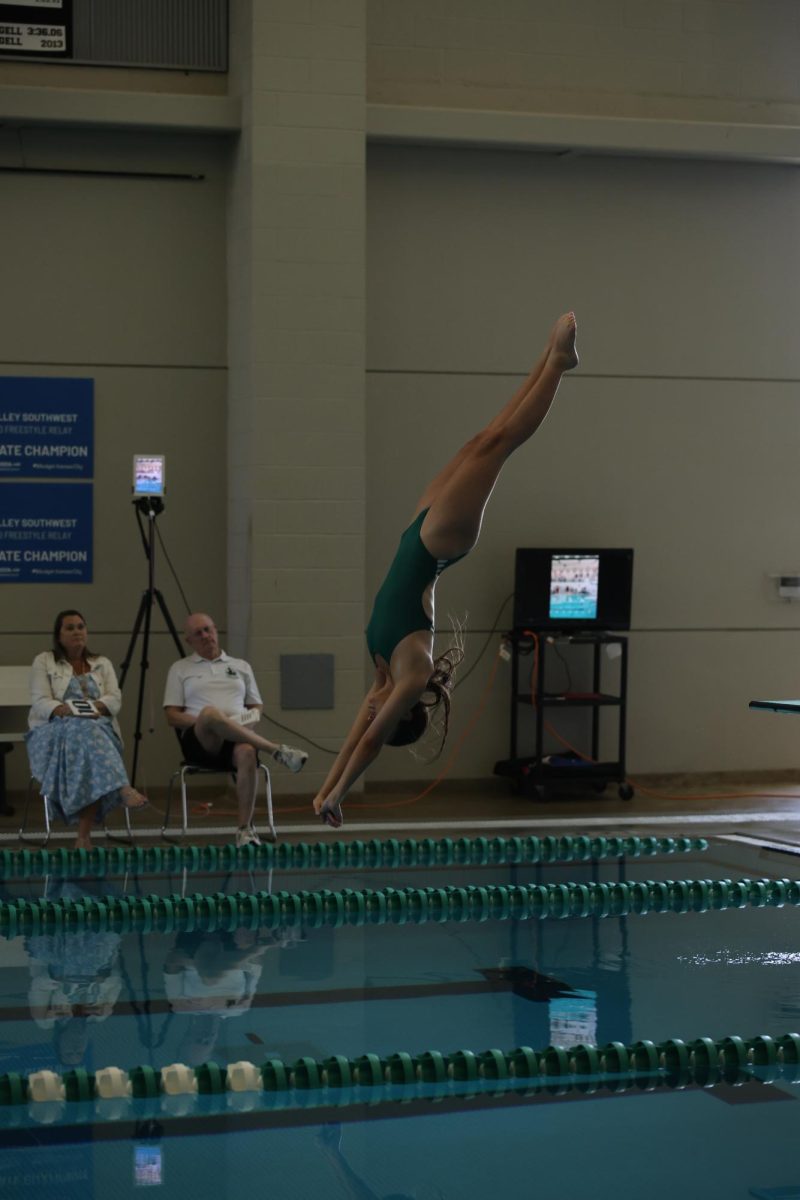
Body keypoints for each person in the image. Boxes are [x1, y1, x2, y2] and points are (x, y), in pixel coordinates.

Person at [313, 312, 579, 830]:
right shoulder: (409, 677)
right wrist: (343, 793)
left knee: (481, 441)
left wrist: (326, 790)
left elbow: (354, 735)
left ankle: (548, 360)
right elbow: (368, 742)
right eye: (383, 714)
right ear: (402, 713)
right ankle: (559, 367)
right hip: (440, 544)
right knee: (498, 447)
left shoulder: (381, 676)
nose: (372, 711)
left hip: (417, 534)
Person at [163, 613, 308, 847]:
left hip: (238, 733)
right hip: (201, 740)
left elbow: (256, 708)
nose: (205, 636)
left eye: (208, 629)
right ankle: (275, 750)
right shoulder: (180, 668)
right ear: (189, 640)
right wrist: (209, 721)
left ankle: (245, 830)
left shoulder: (241, 666)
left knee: (248, 753)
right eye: (198, 633)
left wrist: (233, 724)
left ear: (216, 630)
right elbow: (171, 716)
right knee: (210, 713)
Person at [26, 609, 147, 850]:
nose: (76, 632)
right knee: (85, 735)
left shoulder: (102, 663)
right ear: (58, 635)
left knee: (88, 740)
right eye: (69, 628)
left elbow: (115, 698)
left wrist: (96, 708)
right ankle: (120, 789)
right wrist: (70, 711)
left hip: (98, 728)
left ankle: (83, 837)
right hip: (53, 730)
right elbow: (40, 701)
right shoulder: (45, 660)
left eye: (80, 626)